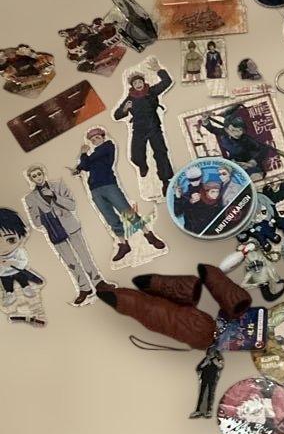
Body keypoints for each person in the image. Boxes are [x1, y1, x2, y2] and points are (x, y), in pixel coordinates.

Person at [72, 127, 166, 260]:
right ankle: (123, 244)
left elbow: (85, 164)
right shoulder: (93, 155)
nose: (95, 140)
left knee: (126, 211)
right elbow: (86, 166)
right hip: (95, 189)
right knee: (109, 217)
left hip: (109, 185)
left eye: (97, 137)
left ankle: (149, 235)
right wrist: (83, 160)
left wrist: (83, 156)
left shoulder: (108, 146)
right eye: (92, 139)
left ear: (103, 137)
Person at [22, 166, 105, 306]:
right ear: (30, 179)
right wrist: (43, 213)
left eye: (39, 174)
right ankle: (85, 288)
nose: (38, 177)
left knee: (84, 256)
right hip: (54, 231)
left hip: (71, 226)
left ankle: (99, 283)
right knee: (70, 262)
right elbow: (36, 223)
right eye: (34, 176)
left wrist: (54, 196)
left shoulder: (58, 185)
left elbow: (72, 205)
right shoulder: (30, 198)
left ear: (44, 173)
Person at [112, 57, 174, 196]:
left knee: (161, 153)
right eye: (135, 83)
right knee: (135, 156)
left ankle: (166, 182)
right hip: (139, 129)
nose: (138, 84)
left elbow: (167, 82)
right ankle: (142, 165)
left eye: (140, 82)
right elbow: (116, 115)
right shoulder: (130, 98)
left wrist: (159, 70)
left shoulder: (151, 91)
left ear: (143, 82)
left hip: (153, 127)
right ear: (132, 86)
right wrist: (124, 109)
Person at [0, 207, 46, 326]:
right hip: (4, 275)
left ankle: (26, 287)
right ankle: (9, 294)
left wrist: (11, 263)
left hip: (18, 271)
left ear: (21, 236)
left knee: (22, 279)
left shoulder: (19, 252)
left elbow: (23, 262)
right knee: (7, 285)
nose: (3, 247)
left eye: (11, 240)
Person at [191, 345, 223, 419]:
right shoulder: (205, 359)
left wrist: (217, 363)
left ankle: (209, 411)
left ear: (215, 352)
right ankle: (198, 410)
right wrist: (204, 364)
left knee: (210, 395)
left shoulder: (218, 359)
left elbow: (221, 367)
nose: (211, 352)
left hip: (212, 380)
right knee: (201, 394)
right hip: (204, 379)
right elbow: (198, 368)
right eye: (210, 351)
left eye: (212, 351)